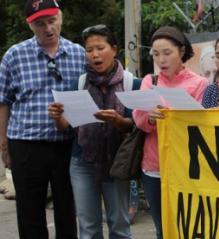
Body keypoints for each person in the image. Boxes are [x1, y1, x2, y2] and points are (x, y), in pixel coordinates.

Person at [0, 0, 85, 238]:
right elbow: (3, 100)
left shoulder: (79, 54)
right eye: (40, 24)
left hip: (67, 143)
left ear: (61, 18)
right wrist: (4, 144)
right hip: (26, 143)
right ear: (30, 26)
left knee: (67, 208)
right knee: (29, 210)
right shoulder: (14, 55)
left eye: (52, 21)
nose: (48, 28)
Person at [48, 24, 136, 239]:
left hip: (117, 162)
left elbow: (134, 126)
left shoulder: (131, 82)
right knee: (88, 228)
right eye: (89, 49)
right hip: (82, 162)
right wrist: (58, 116)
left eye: (100, 48)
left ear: (114, 49)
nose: (95, 54)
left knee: (120, 226)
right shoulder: (78, 83)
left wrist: (117, 121)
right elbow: (65, 126)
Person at [132, 26, 208, 239]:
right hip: (154, 167)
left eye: (167, 53)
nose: (161, 60)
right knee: (162, 228)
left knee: (189, 227)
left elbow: (203, 123)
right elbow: (138, 118)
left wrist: (177, 116)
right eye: (156, 54)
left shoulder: (199, 83)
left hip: (186, 165)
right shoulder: (150, 81)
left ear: (181, 51)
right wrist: (150, 118)